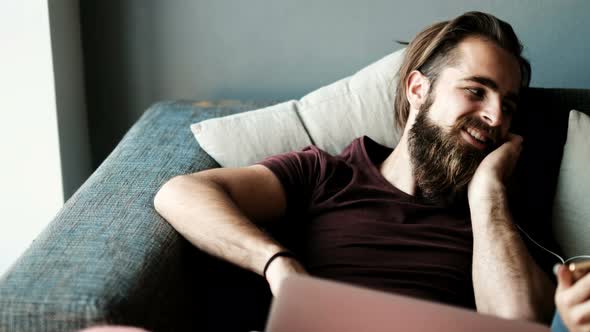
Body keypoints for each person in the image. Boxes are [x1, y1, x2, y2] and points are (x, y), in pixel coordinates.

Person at [154, 11, 557, 323]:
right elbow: (180, 194)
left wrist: (486, 191)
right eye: (476, 91)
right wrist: (278, 263)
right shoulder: (326, 173)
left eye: (508, 104)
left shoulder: (501, 212)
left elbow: (518, 322)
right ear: (419, 89)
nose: (495, 115)